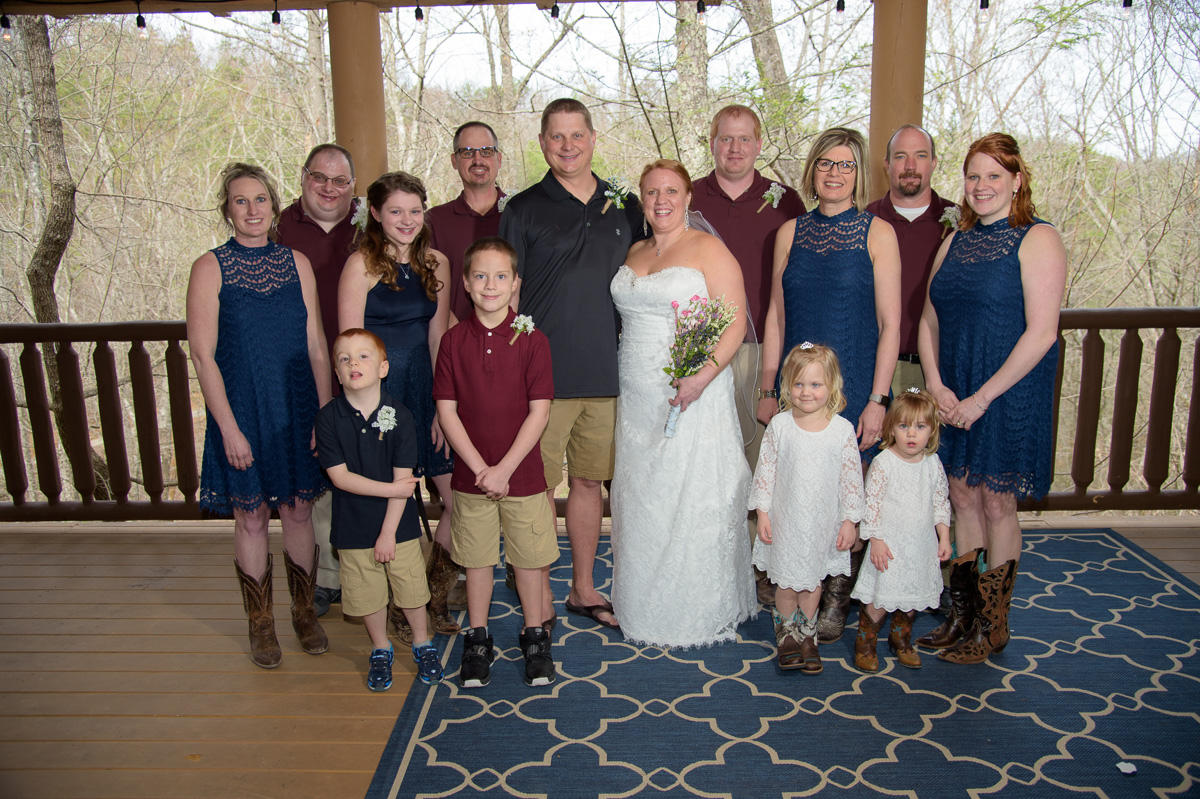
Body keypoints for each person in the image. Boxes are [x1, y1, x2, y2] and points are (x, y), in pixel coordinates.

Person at [917, 132, 1067, 664]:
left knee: (997, 501)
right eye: (974, 176)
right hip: (953, 388)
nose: (981, 186)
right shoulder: (953, 241)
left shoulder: (1037, 238)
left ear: (1017, 180)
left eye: (994, 176)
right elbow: (929, 318)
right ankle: (962, 616)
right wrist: (936, 384)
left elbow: (1042, 332)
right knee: (960, 496)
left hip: (1006, 390)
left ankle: (993, 623)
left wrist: (980, 399)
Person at [499, 98, 643, 631]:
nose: (567, 146)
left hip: (609, 372)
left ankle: (583, 589)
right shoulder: (522, 207)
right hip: (542, 379)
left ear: (593, 137)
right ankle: (535, 595)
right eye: (556, 137)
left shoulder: (626, 204)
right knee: (534, 487)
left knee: (588, 484)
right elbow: (504, 295)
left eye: (576, 135)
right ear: (542, 143)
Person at [758, 127, 902, 644]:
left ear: (859, 173)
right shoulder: (789, 233)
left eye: (845, 164)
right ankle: (790, 583)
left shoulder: (877, 233)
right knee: (798, 487)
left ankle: (837, 591)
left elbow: (891, 323)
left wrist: (878, 400)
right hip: (797, 390)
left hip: (854, 384)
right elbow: (776, 315)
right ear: (812, 171)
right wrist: (770, 386)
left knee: (847, 494)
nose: (835, 173)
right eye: (825, 164)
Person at [608, 159, 757, 648]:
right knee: (645, 496)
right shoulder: (634, 250)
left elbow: (733, 322)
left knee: (688, 493)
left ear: (689, 198)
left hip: (691, 392)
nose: (661, 201)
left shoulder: (708, 249)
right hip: (637, 399)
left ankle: (695, 604)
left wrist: (702, 376)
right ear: (642, 199)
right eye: (651, 192)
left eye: (671, 191)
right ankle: (642, 599)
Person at [187, 162, 331, 669]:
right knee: (250, 515)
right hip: (243, 408)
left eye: (260, 200)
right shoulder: (210, 267)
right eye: (240, 201)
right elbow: (203, 355)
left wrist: (323, 415)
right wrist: (228, 427)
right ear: (227, 209)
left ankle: (302, 612)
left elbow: (316, 345)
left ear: (274, 204)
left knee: (296, 509)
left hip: (296, 408)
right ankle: (261, 623)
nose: (252, 210)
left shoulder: (297, 263)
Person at [690, 104, 805, 606]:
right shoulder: (687, 195)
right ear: (711, 143)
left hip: (765, 348)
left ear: (759, 145)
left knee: (763, 464)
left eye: (744, 139)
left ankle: (761, 563)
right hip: (703, 348)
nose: (734, 149)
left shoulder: (786, 201)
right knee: (711, 460)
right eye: (724, 139)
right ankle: (715, 559)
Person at [338, 172, 460, 639]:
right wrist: (363, 412)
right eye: (396, 211)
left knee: (456, 500)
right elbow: (349, 348)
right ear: (375, 213)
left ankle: (429, 595)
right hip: (378, 401)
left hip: (426, 392)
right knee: (393, 504)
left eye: (415, 210)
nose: (407, 220)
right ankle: (396, 606)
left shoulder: (438, 264)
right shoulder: (360, 266)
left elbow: (436, 337)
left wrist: (444, 405)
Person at [433, 237, 559, 688]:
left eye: (500, 276)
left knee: (527, 559)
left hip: (521, 476)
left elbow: (539, 411)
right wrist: (480, 468)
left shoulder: (533, 340)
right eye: (481, 276)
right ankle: (478, 637)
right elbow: (447, 411)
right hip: (471, 478)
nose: (491, 285)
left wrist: (503, 469)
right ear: (465, 283)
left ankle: (533, 636)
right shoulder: (452, 342)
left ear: (515, 284)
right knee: (478, 561)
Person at [315, 329, 443, 691]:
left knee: (411, 589)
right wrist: (389, 489)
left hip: (398, 526)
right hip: (352, 526)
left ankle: (422, 643)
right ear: (337, 375)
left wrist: (388, 532)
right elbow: (340, 478)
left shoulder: (399, 416)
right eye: (344, 359)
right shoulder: (328, 419)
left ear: (383, 367)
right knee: (366, 591)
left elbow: (405, 480)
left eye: (363, 356)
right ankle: (380, 648)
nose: (353, 363)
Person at [275, 143, 359, 617]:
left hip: (360, 362)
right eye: (319, 178)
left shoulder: (369, 226)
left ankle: (365, 567)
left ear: (353, 185)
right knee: (316, 472)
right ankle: (326, 576)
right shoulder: (278, 227)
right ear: (303, 177)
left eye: (340, 180)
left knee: (364, 464)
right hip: (297, 364)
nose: (329, 188)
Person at [749, 343, 865, 674]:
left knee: (813, 584)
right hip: (786, 522)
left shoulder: (841, 430)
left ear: (832, 386)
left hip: (821, 524)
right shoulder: (780, 426)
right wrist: (763, 513)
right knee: (785, 584)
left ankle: (808, 636)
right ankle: (786, 636)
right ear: (787, 385)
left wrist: (849, 521)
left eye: (815, 384)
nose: (806, 392)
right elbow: (766, 473)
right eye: (798, 384)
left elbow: (851, 481)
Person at [850, 388, 952, 673]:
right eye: (903, 426)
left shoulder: (932, 464)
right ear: (891, 428)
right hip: (889, 546)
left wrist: (943, 536)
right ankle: (866, 643)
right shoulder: (884, 463)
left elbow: (940, 502)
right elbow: (871, 504)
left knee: (911, 598)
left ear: (931, 432)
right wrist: (877, 540)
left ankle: (901, 639)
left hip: (920, 546)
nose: (911, 434)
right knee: (881, 598)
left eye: (920, 427)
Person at [865, 125, 957, 395]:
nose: (910, 166)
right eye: (901, 156)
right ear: (887, 164)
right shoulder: (863, 221)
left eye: (921, 155)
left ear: (934, 163)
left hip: (939, 374)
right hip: (873, 367)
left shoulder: (960, 225)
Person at [427, 121, 507, 326]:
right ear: (454, 160)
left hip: (514, 341)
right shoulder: (434, 221)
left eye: (486, 152)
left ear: (499, 159)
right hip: (454, 338)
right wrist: (460, 337)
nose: (478, 160)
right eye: (468, 152)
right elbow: (428, 289)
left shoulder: (520, 214)